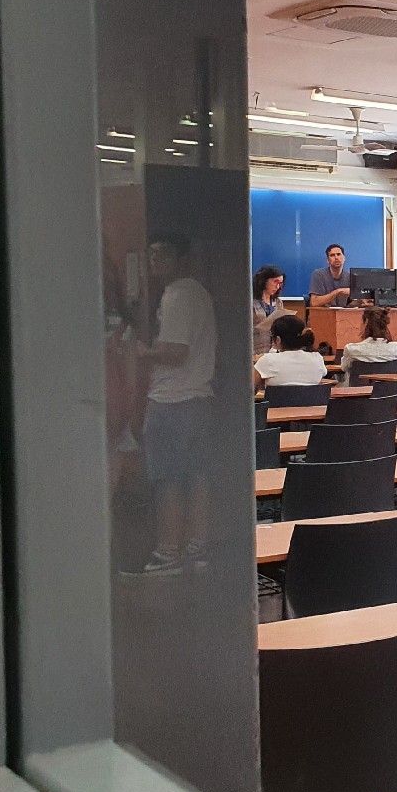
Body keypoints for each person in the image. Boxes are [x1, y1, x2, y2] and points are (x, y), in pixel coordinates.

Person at [141, 235, 216, 573]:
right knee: (196, 476)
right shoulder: (198, 293)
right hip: (198, 398)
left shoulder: (178, 294)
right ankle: (196, 550)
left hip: (172, 399)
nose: (155, 261)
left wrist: (141, 351)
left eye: (163, 255)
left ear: (182, 259)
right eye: (152, 255)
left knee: (167, 479)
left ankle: (168, 553)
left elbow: (176, 351)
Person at [252, 315, 328, 389]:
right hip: (311, 398)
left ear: (278, 340)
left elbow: (249, 388)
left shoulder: (268, 360)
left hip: (279, 398)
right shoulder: (317, 358)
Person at [338, 305, 397, 380]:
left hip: (359, 387)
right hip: (389, 387)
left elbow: (344, 368)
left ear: (366, 322)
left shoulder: (351, 349)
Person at [251, 265, 285, 356]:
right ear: (264, 280)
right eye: (275, 282)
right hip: (255, 350)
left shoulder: (278, 302)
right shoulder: (250, 301)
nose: (278, 286)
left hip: (274, 352)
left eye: (280, 283)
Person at [307, 242, 352, 308]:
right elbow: (314, 302)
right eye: (332, 255)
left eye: (339, 254)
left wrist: (361, 301)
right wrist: (337, 292)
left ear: (344, 258)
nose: (336, 258)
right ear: (328, 260)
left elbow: (351, 304)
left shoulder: (350, 276)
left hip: (343, 313)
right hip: (324, 312)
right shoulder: (319, 274)